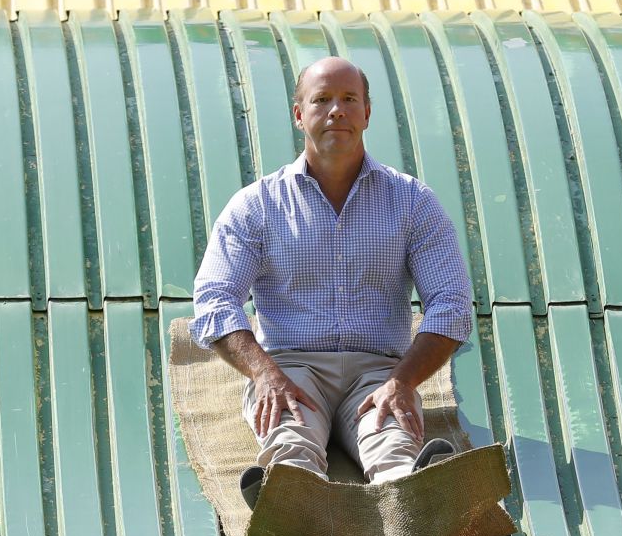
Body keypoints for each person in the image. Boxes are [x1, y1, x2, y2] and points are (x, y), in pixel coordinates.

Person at [191, 56, 474, 507]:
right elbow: (214, 299)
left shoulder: (413, 202)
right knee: (290, 436)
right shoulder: (256, 205)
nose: (336, 111)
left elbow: (452, 303)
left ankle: (413, 495)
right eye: (321, 99)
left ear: (367, 112)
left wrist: (403, 381)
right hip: (291, 368)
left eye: (349, 99)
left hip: (380, 369)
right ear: (299, 113)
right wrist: (265, 374)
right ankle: (287, 499)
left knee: (391, 438)